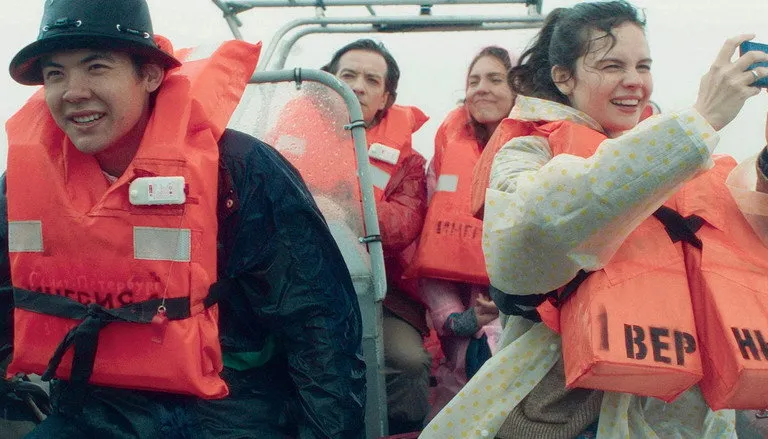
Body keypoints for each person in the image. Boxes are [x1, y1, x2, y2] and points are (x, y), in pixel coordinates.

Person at [0, 1, 366, 438]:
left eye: (96, 67)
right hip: (94, 408)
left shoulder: (240, 169)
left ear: (151, 75)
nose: (72, 90)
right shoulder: (22, 182)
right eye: (55, 73)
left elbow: (318, 324)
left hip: (230, 408)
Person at [420, 1, 768, 438]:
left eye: (642, 66)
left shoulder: (684, 156)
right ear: (563, 77)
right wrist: (700, 120)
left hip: (679, 414)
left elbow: (755, 245)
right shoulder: (530, 149)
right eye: (612, 65)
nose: (633, 81)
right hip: (565, 410)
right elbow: (524, 242)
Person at [267, 39, 432, 434]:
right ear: (328, 83)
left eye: (371, 80)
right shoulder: (281, 136)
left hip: (376, 291)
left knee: (409, 361)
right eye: (348, 75)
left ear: (385, 97)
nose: (357, 86)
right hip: (292, 282)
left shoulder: (408, 162)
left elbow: (405, 225)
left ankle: (397, 429)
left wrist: (347, 209)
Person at [406, 46, 514, 414]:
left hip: (533, 323)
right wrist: (460, 320)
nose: (481, 88)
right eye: (474, 80)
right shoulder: (446, 160)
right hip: (473, 337)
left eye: (495, 79)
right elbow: (433, 246)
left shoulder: (546, 149)